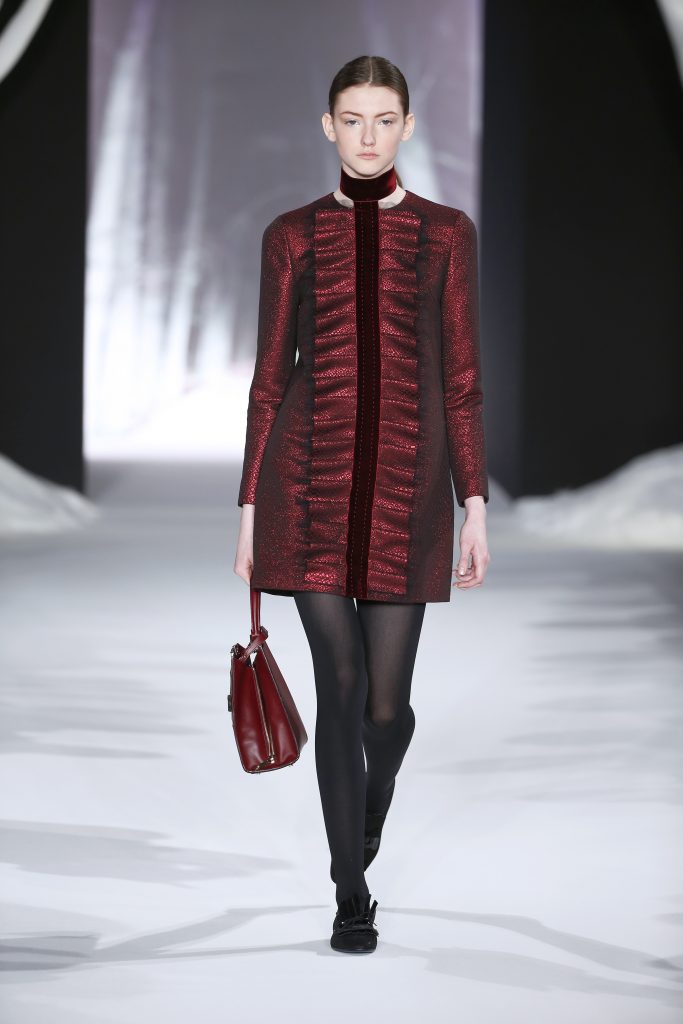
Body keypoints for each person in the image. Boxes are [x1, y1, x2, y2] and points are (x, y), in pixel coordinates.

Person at [234, 54, 490, 954]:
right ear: (328, 126)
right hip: (304, 487)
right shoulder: (292, 235)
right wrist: (247, 508)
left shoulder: (447, 234)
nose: (368, 136)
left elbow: (461, 380)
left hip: (407, 494)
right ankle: (350, 889)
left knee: (386, 712)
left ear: (407, 127)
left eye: (384, 120)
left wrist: (474, 502)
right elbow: (270, 379)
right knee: (338, 691)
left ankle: (370, 806)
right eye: (352, 119)